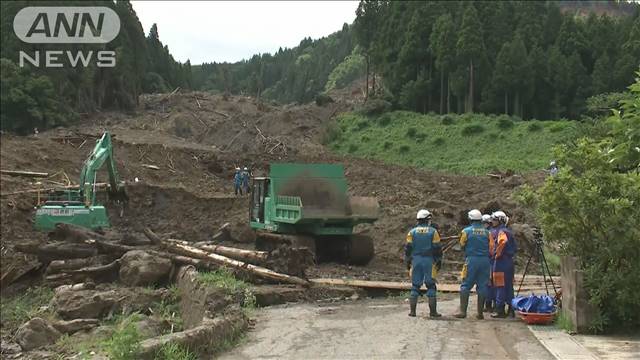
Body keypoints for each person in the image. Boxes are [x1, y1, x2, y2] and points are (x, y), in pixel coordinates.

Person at [404, 209, 442, 318]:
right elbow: (437, 248)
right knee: (431, 286)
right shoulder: (433, 232)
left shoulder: (412, 232)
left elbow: (408, 248)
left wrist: (408, 261)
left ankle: (412, 312)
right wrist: (439, 260)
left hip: (416, 261)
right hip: (429, 261)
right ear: (427, 220)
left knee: (415, 286)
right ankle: (433, 312)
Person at [454, 209, 491, 319]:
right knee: (483, 286)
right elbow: (492, 246)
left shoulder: (466, 231)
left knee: (465, 285)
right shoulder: (487, 232)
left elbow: (461, 245)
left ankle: (463, 312)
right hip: (485, 261)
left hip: (471, 260)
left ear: (470, 219)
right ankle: (480, 313)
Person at [490, 211, 517, 318]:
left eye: (495, 220)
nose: (492, 222)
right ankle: (511, 309)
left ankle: (500, 309)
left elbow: (502, 243)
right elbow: (514, 248)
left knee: (500, 285)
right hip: (509, 262)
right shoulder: (508, 231)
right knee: (509, 286)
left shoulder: (501, 232)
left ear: (500, 220)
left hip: (501, 262)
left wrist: (497, 254)